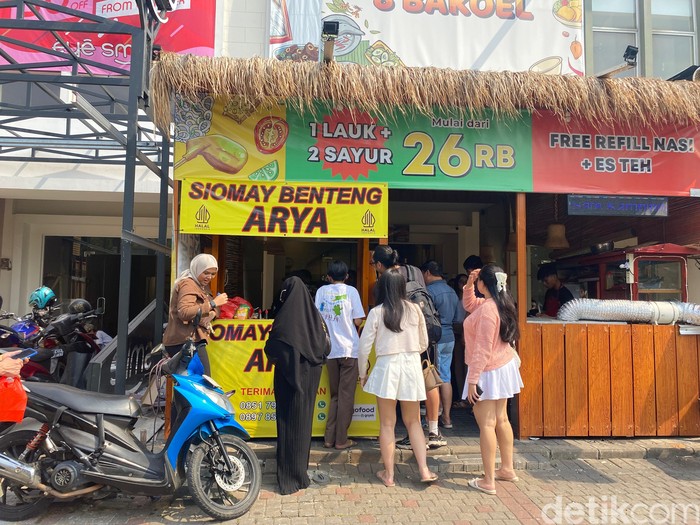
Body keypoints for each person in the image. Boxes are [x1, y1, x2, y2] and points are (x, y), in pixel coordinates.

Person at [358, 270, 438, 487]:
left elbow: (363, 347)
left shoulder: (377, 312)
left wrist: (363, 373)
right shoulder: (415, 310)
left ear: (382, 287)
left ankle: (389, 475)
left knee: (387, 424)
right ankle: (424, 469)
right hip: (411, 366)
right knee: (413, 422)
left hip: (387, 368)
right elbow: (424, 343)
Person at [370, 245, 445, 449]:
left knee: (400, 390)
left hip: (401, 340)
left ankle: (408, 432)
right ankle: (433, 430)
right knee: (428, 378)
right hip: (424, 330)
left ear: (378, 264)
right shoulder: (414, 270)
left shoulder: (385, 280)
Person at [264, 276, 330, 495]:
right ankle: (300, 475)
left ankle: (288, 480)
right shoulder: (315, 318)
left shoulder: (284, 321)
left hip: (287, 381)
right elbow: (324, 348)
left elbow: (272, 348)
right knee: (303, 426)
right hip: (310, 379)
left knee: (287, 425)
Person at [462, 264, 524, 496]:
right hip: (503, 366)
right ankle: (506, 469)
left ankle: (488, 480)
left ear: (484, 284)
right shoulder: (498, 304)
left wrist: (472, 380)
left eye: (478, 281)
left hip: (488, 370)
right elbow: (469, 305)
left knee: (486, 423)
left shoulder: (488, 310)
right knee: (502, 419)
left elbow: (482, 349)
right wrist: (470, 284)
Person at [315, 260, 365, 450]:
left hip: (329, 350)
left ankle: (329, 438)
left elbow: (317, 317)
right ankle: (341, 440)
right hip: (348, 349)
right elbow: (358, 320)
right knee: (346, 396)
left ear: (328, 276)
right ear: (346, 276)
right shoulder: (351, 291)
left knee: (335, 395)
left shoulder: (321, 292)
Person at [162, 253, 228, 376]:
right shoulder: (188, 284)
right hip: (184, 341)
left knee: (193, 382)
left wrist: (212, 311)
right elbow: (184, 312)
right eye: (206, 273)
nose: (209, 277)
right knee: (200, 381)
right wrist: (213, 304)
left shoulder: (201, 285)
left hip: (191, 340)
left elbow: (212, 309)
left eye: (213, 274)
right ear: (197, 269)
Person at [421, 260, 461, 429]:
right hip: (450, 337)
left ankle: (433, 419)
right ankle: (447, 418)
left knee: (432, 378)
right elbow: (459, 318)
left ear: (428, 273)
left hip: (435, 339)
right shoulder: (452, 291)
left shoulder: (429, 291)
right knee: (445, 377)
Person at [451, 274, 469, 409]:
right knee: (458, 366)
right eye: (460, 281)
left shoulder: (472, 299)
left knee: (467, 366)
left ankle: (468, 398)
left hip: (467, 334)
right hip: (456, 332)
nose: (463, 283)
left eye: (465, 280)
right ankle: (462, 396)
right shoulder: (455, 298)